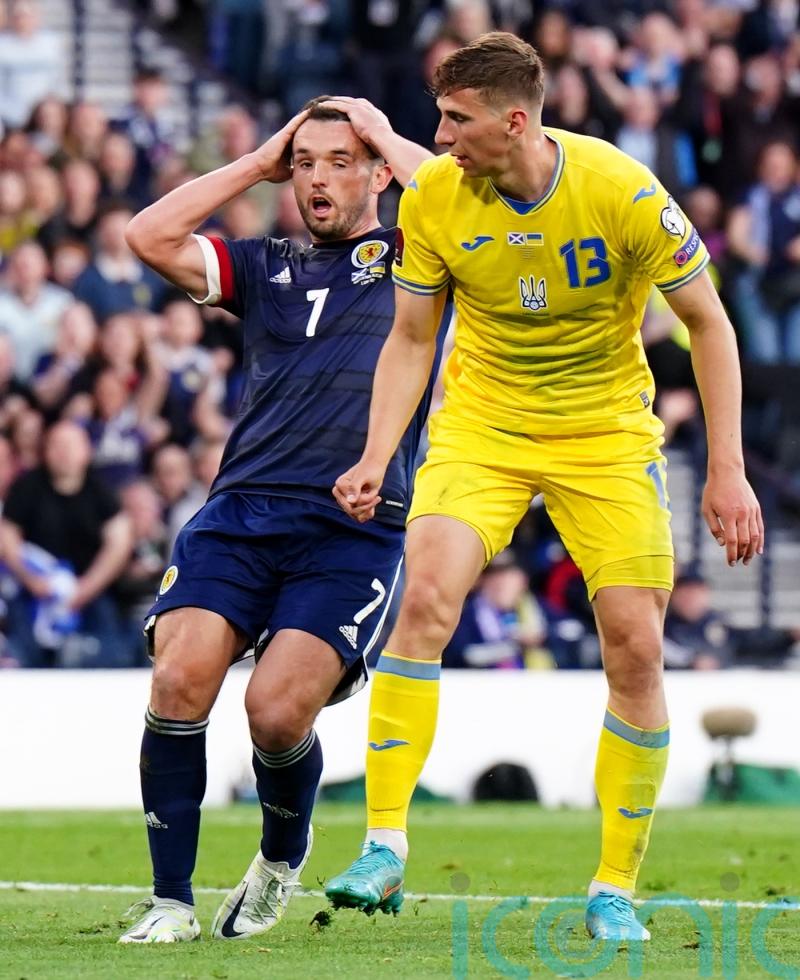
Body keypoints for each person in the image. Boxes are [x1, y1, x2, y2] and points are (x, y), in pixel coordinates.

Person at [325, 32, 763, 942]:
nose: (438, 138)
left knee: (637, 649)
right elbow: (411, 340)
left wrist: (727, 469)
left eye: (456, 120)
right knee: (426, 601)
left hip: (605, 435)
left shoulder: (621, 189)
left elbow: (709, 325)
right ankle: (384, 844)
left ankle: (613, 888)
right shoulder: (438, 198)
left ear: (515, 121)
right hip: (483, 424)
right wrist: (376, 452)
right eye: (437, 118)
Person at [116, 96, 439, 944]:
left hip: (351, 525)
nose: (319, 179)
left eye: (340, 161)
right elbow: (147, 236)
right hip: (241, 512)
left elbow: (447, 197)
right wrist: (258, 162)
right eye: (306, 165)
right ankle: (171, 902)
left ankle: (278, 860)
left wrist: (382, 136)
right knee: (179, 680)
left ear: (375, 171)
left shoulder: (422, 253)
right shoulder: (263, 263)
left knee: (274, 712)